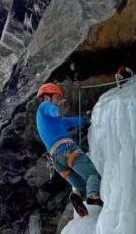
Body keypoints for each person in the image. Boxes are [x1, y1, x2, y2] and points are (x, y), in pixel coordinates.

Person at [35, 82, 103, 215]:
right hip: (67, 150)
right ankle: (93, 196)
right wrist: (58, 107)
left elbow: (68, 121)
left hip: (56, 161)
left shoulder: (50, 122)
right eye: (56, 98)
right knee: (91, 175)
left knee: (82, 187)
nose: (58, 101)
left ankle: (76, 195)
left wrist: (85, 120)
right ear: (47, 97)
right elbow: (52, 110)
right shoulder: (44, 106)